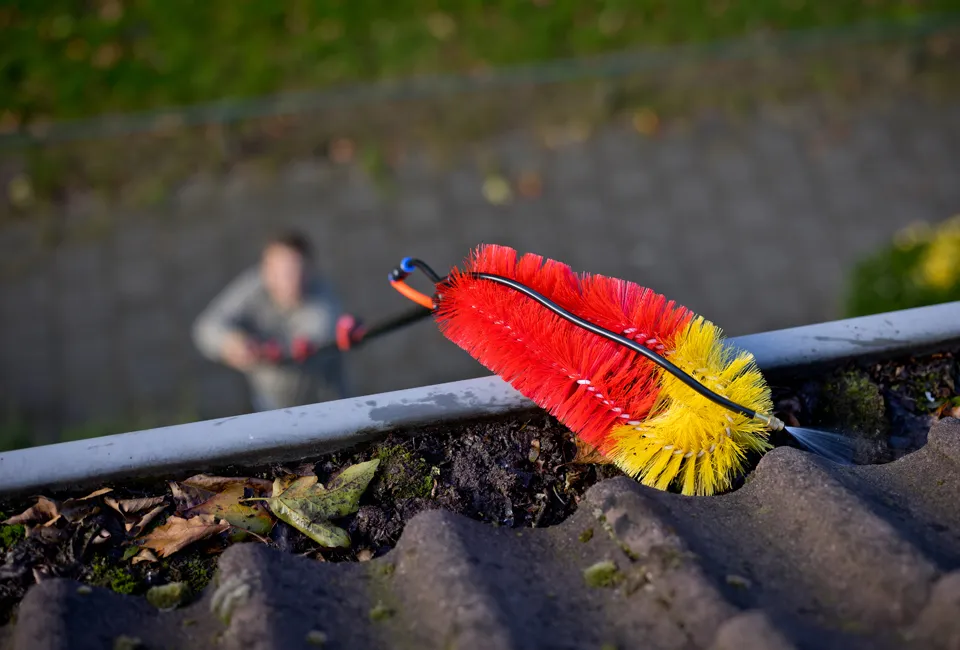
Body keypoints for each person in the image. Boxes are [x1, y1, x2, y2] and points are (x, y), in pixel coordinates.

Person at [192, 232, 361, 412]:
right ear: (265, 269)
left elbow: (315, 338)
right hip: (268, 407)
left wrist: (263, 351)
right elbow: (206, 327)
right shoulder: (252, 287)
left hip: (328, 404)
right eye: (281, 270)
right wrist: (230, 343)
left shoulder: (323, 297)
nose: (289, 278)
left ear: (310, 269)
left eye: (296, 270)